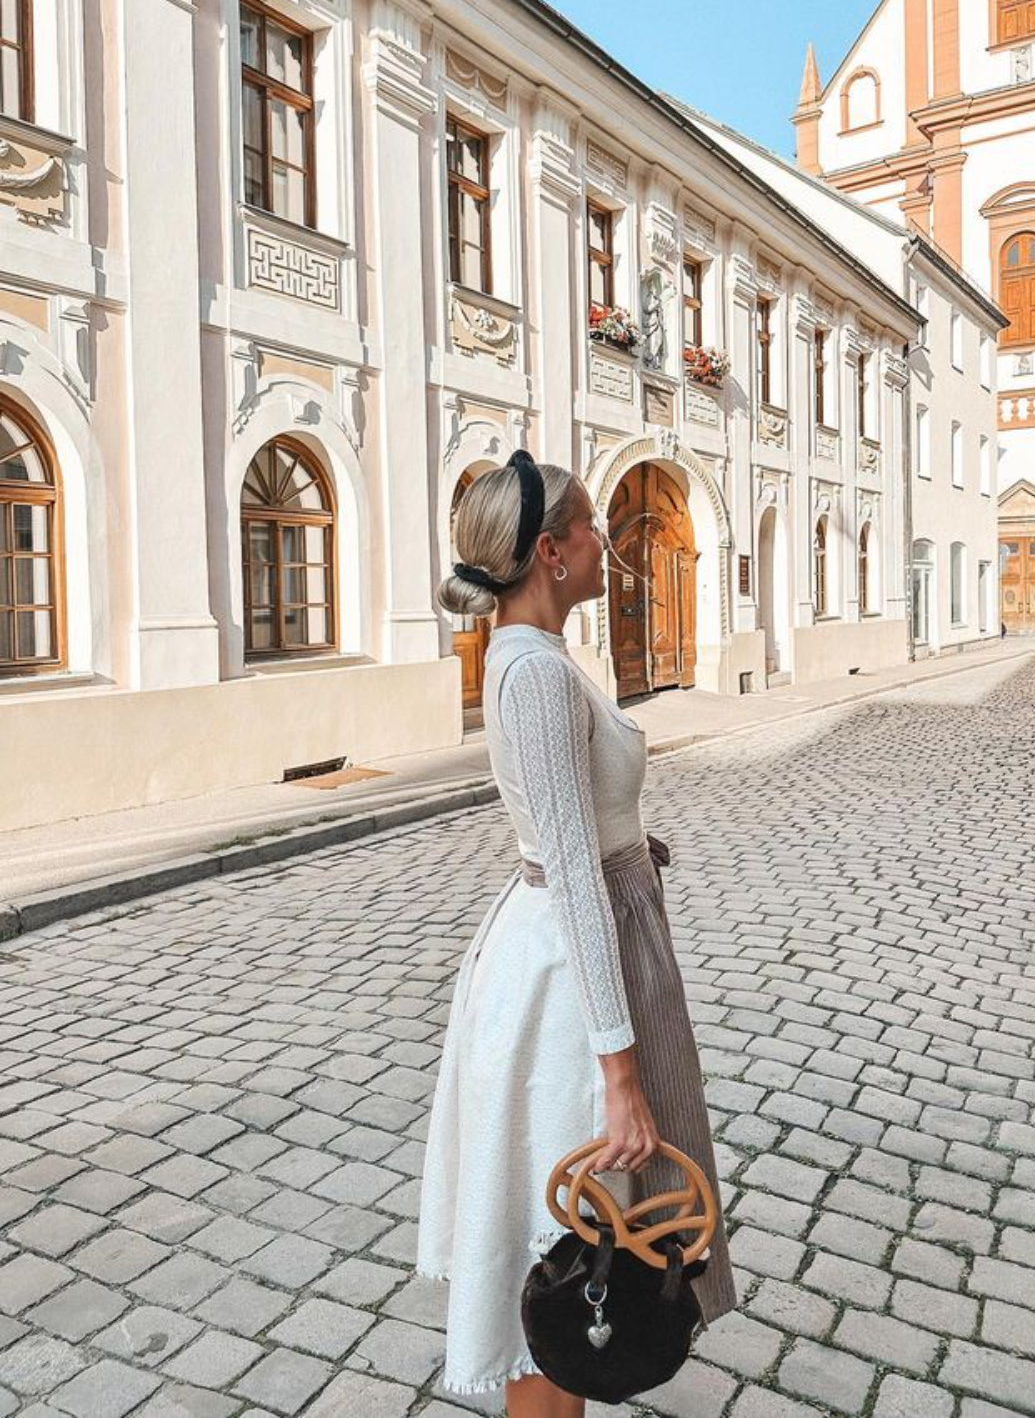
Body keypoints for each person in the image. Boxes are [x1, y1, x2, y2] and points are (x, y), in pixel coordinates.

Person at [417, 451, 736, 1415]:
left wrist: (634, 848)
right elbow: (571, 888)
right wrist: (621, 1077)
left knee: (582, 1246)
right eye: (595, 522)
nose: (609, 537)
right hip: (563, 988)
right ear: (552, 553)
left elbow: (581, 830)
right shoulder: (534, 678)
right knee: (567, 1264)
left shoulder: (545, 660)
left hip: (581, 951)